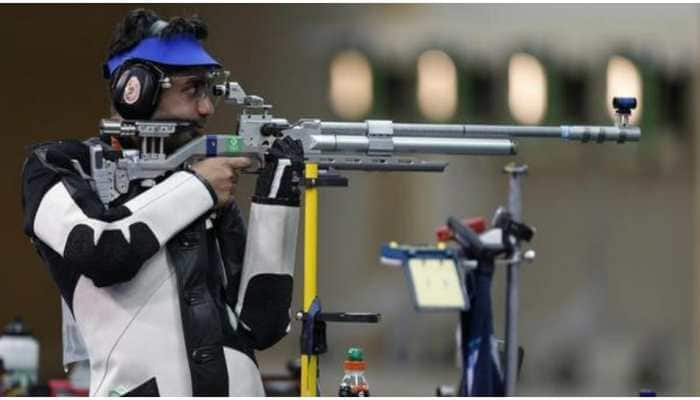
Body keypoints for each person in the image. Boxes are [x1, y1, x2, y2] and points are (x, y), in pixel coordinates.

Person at [21, 8, 304, 396]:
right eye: (192, 90)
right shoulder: (57, 166)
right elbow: (102, 250)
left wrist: (277, 199)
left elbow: (263, 324)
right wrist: (198, 187)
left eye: (210, 91)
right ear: (134, 90)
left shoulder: (193, 182)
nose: (207, 108)